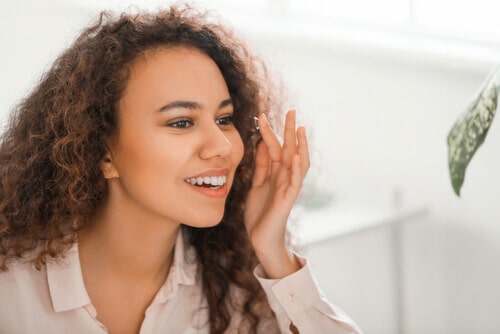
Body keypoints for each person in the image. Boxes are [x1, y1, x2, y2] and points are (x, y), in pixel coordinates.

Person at [0, 4, 361, 334]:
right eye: (181, 123)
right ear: (102, 152)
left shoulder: (232, 288)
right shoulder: (11, 285)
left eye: (224, 119)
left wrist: (273, 252)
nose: (223, 147)